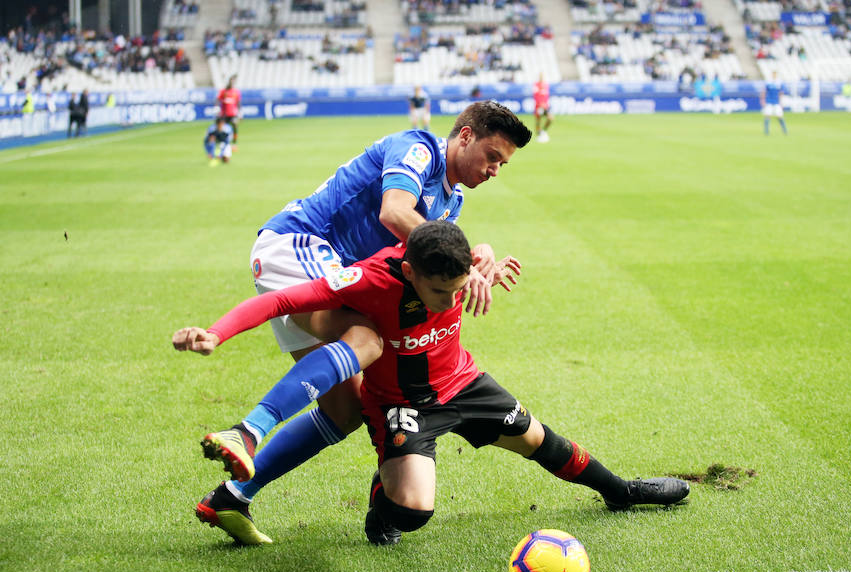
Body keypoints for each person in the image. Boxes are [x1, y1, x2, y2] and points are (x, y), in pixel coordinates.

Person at [174, 222, 691, 546]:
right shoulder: (371, 279)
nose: (450, 303)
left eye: (459, 288)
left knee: (540, 440)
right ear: (409, 270)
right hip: (400, 404)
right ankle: (383, 500)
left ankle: (620, 491)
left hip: (463, 381)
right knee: (413, 513)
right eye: (440, 292)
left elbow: (475, 247)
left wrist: (485, 261)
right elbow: (282, 303)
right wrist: (216, 333)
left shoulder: (453, 257)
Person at [194, 101, 532, 507]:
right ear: (465, 136)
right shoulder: (418, 149)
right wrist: (464, 263)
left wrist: (480, 259)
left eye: (503, 164)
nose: (494, 170)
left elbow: (433, 261)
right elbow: (394, 212)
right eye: (492, 156)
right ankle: (248, 431)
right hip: (301, 242)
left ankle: (233, 496)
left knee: (345, 410)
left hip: (325, 268)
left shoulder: (451, 201)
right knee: (366, 340)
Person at [217, 75, 241, 145]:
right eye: (231, 81)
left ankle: (234, 141)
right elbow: (218, 99)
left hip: (233, 113)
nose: (232, 83)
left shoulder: (236, 92)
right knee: (223, 127)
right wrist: (217, 108)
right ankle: (221, 140)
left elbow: (238, 102)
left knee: (234, 125)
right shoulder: (223, 91)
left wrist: (240, 112)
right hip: (224, 113)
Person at [533, 73, 552, 143]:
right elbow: (536, 96)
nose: (541, 77)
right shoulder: (536, 85)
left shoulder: (546, 85)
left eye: (542, 76)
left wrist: (546, 104)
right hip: (538, 106)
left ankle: (543, 131)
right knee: (538, 121)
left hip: (545, 106)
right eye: (540, 76)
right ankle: (539, 134)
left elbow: (546, 96)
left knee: (550, 118)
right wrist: (540, 104)